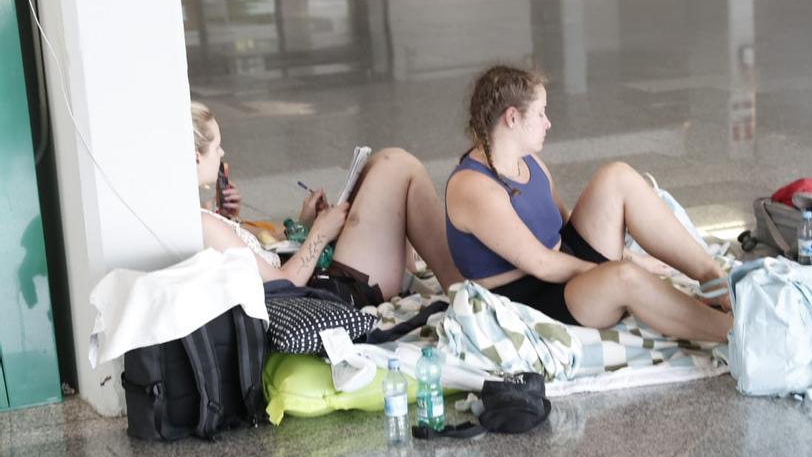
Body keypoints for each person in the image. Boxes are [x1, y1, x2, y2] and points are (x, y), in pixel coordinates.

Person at [443, 65, 732, 343]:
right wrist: (613, 269)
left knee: (617, 176)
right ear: (512, 118)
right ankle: (734, 331)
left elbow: (564, 224)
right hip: (532, 300)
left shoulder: (528, 161)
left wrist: (631, 257)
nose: (548, 123)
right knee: (625, 277)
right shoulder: (474, 188)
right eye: (540, 113)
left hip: (565, 267)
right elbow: (541, 264)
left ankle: (716, 282)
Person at [192, 101, 461, 306]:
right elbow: (283, 285)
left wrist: (302, 224)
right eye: (217, 147)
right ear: (195, 158)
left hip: (314, 276)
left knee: (382, 162)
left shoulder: (199, 217)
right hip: (325, 294)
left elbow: (258, 259)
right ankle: (464, 292)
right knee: (397, 165)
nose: (222, 153)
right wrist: (320, 233)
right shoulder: (203, 223)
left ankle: (444, 280)